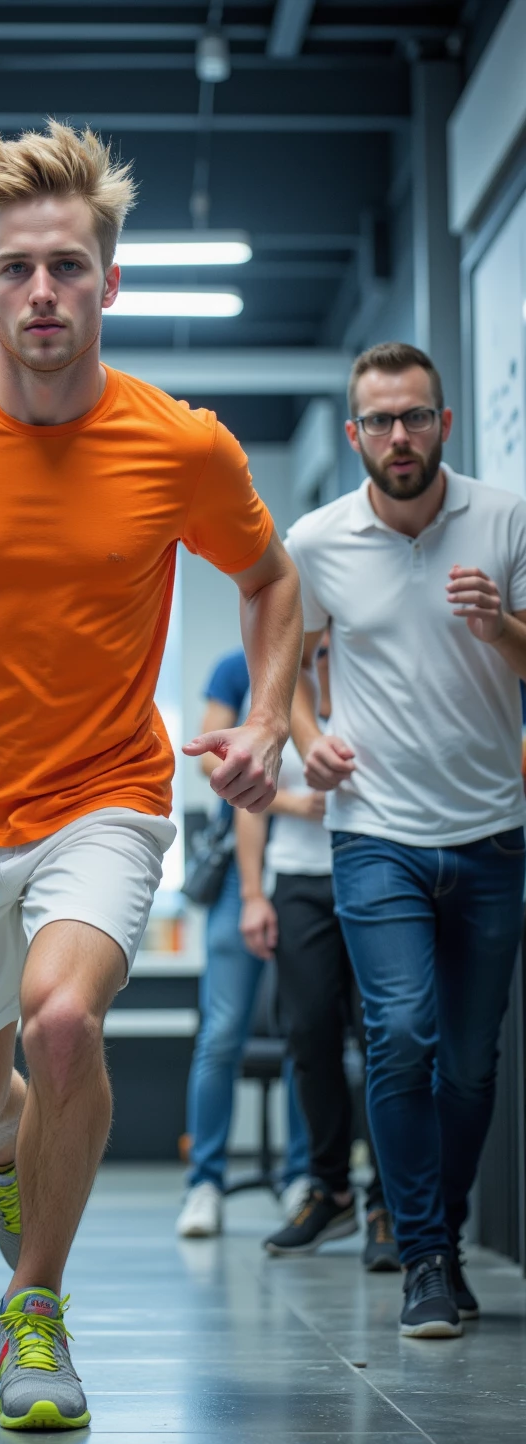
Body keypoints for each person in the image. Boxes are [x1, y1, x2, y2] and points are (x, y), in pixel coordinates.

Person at [0, 120, 302, 1430]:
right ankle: (14, 1144)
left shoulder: (180, 447)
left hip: (108, 793)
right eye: (17, 268)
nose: (42, 292)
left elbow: (269, 580)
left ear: (109, 283)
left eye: (68, 267)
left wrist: (269, 720)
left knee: (65, 1021)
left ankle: (35, 1314)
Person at [287, 340, 526, 1338]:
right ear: (354, 434)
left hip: (490, 831)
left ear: (443, 424)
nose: (399, 436)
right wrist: (309, 740)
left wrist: (501, 627)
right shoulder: (315, 541)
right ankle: (421, 1254)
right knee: (400, 1034)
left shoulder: (505, 518)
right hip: (374, 830)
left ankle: (445, 1232)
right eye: (380, 421)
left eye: (415, 417)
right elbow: (285, 666)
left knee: (469, 1064)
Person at [234, 640, 398, 1269]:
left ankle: (388, 1203)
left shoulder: (375, 692)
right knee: (308, 1033)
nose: (323, 655)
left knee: (382, 1038)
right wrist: (254, 895)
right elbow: (248, 803)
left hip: (377, 875)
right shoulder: (278, 701)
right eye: (316, 647)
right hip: (300, 882)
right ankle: (330, 1190)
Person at [176, 647, 309, 1240]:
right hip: (240, 873)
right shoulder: (236, 667)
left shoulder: (333, 657)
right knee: (222, 1031)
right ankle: (204, 1182)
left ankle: (305, 1178)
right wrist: (294, 802)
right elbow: (210, 760)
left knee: (311, 1030)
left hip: (315, 867)